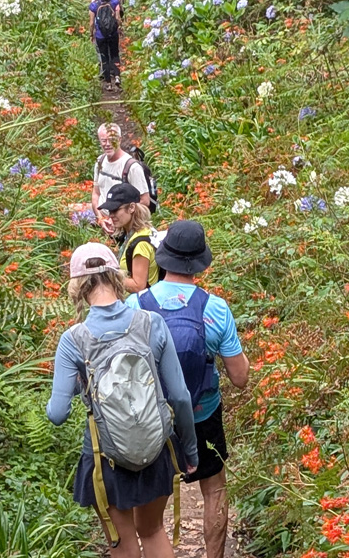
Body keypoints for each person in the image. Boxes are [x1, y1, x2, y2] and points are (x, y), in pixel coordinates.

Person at [47, 243, 199, 557]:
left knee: (124, 546)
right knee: (153, 531)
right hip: (156, 448)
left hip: (105, 458)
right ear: (116, 276)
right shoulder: (151, 323)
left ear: (77, 286)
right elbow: (180, 396)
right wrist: (191, 451)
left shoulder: (73, 340)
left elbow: (57, 413)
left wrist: (80, 385)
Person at [126, 221, 250, 558]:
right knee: (214, 490)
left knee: (149, 505)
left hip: (150, 419)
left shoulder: (135, 306)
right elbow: (240, 377)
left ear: (163, 257)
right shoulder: (215, 308)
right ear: (200, 263)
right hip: (202, 415)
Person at [98, 182, 159, 292]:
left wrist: (107, 275)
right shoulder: (133, 234)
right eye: (110, 211)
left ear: (131, 207)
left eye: (115, 210)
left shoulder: (141, 243)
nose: (111, 215)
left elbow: (138, 286)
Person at [92, 123, 150, 235]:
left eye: (112, 140)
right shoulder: (100, 161)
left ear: (119, 140)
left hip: (125, 228)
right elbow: (96, 193)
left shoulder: (132, 167)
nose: (108, 144)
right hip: (104, 225)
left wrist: (116, 218)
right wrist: (101, 219)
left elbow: (144, 200)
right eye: (104, 140)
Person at [89, 0, 122, 91]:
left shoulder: (94, 5)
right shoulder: (113, 2)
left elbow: (91, 23)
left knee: (104, 58)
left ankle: (108, 83)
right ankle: (117, 77)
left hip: (100, 35)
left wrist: (91, 34)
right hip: (113, 33)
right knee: (115, 54)